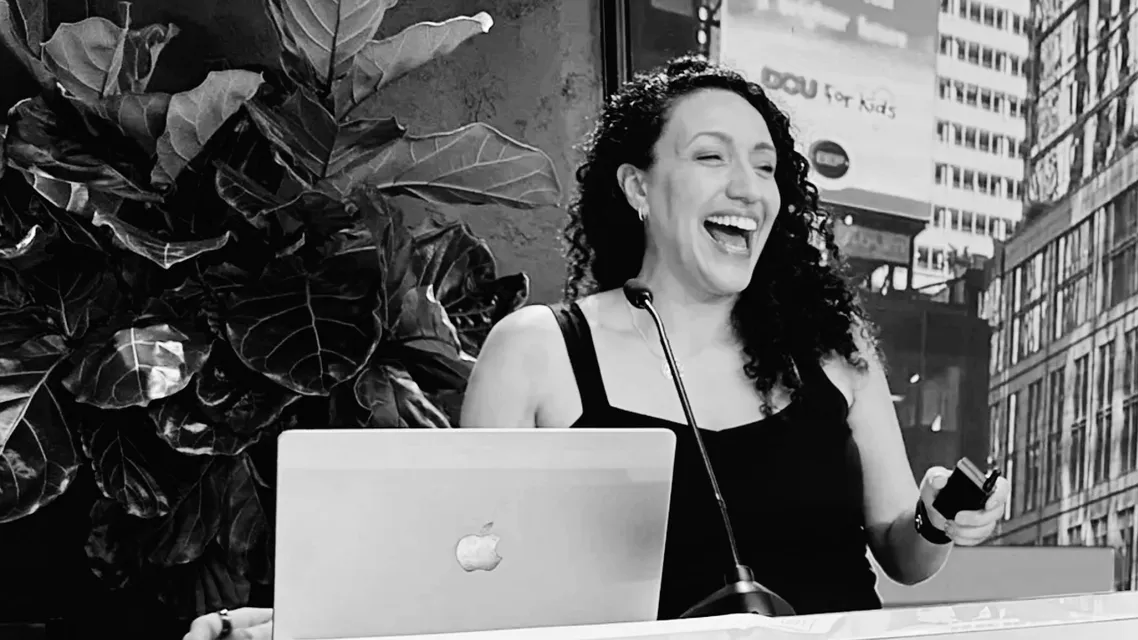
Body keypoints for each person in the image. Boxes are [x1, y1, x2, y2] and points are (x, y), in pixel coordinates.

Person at [183, 55, 1010, 640]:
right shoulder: (538, 353)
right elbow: (464, 577)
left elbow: (903, 555)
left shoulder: (833, 347)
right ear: (638, 187)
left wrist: (938, 519)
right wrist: (314, 624)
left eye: (765, 167)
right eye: (711, 157)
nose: (748, 187)